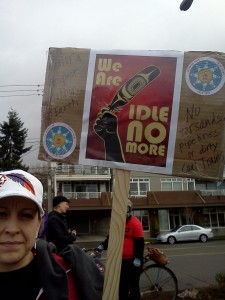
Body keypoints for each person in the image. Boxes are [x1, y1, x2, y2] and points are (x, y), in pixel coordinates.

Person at [0, 169, 103, 300]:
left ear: (38, 223)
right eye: (1, 214)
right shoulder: (55, 219)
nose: (12, 229)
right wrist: (71, 236)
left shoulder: (72, 276)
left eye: (26, 215)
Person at [95, 199, 144, 300]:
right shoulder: (116, 223)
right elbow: (110, 239)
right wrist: (102, 246)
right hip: (120, 261)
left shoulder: (136, 223)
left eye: (126, 209)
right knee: (122, 286)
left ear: (130, 210)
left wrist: (138, 259)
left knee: (133, 286)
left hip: (133, 261)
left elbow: (140, 244)